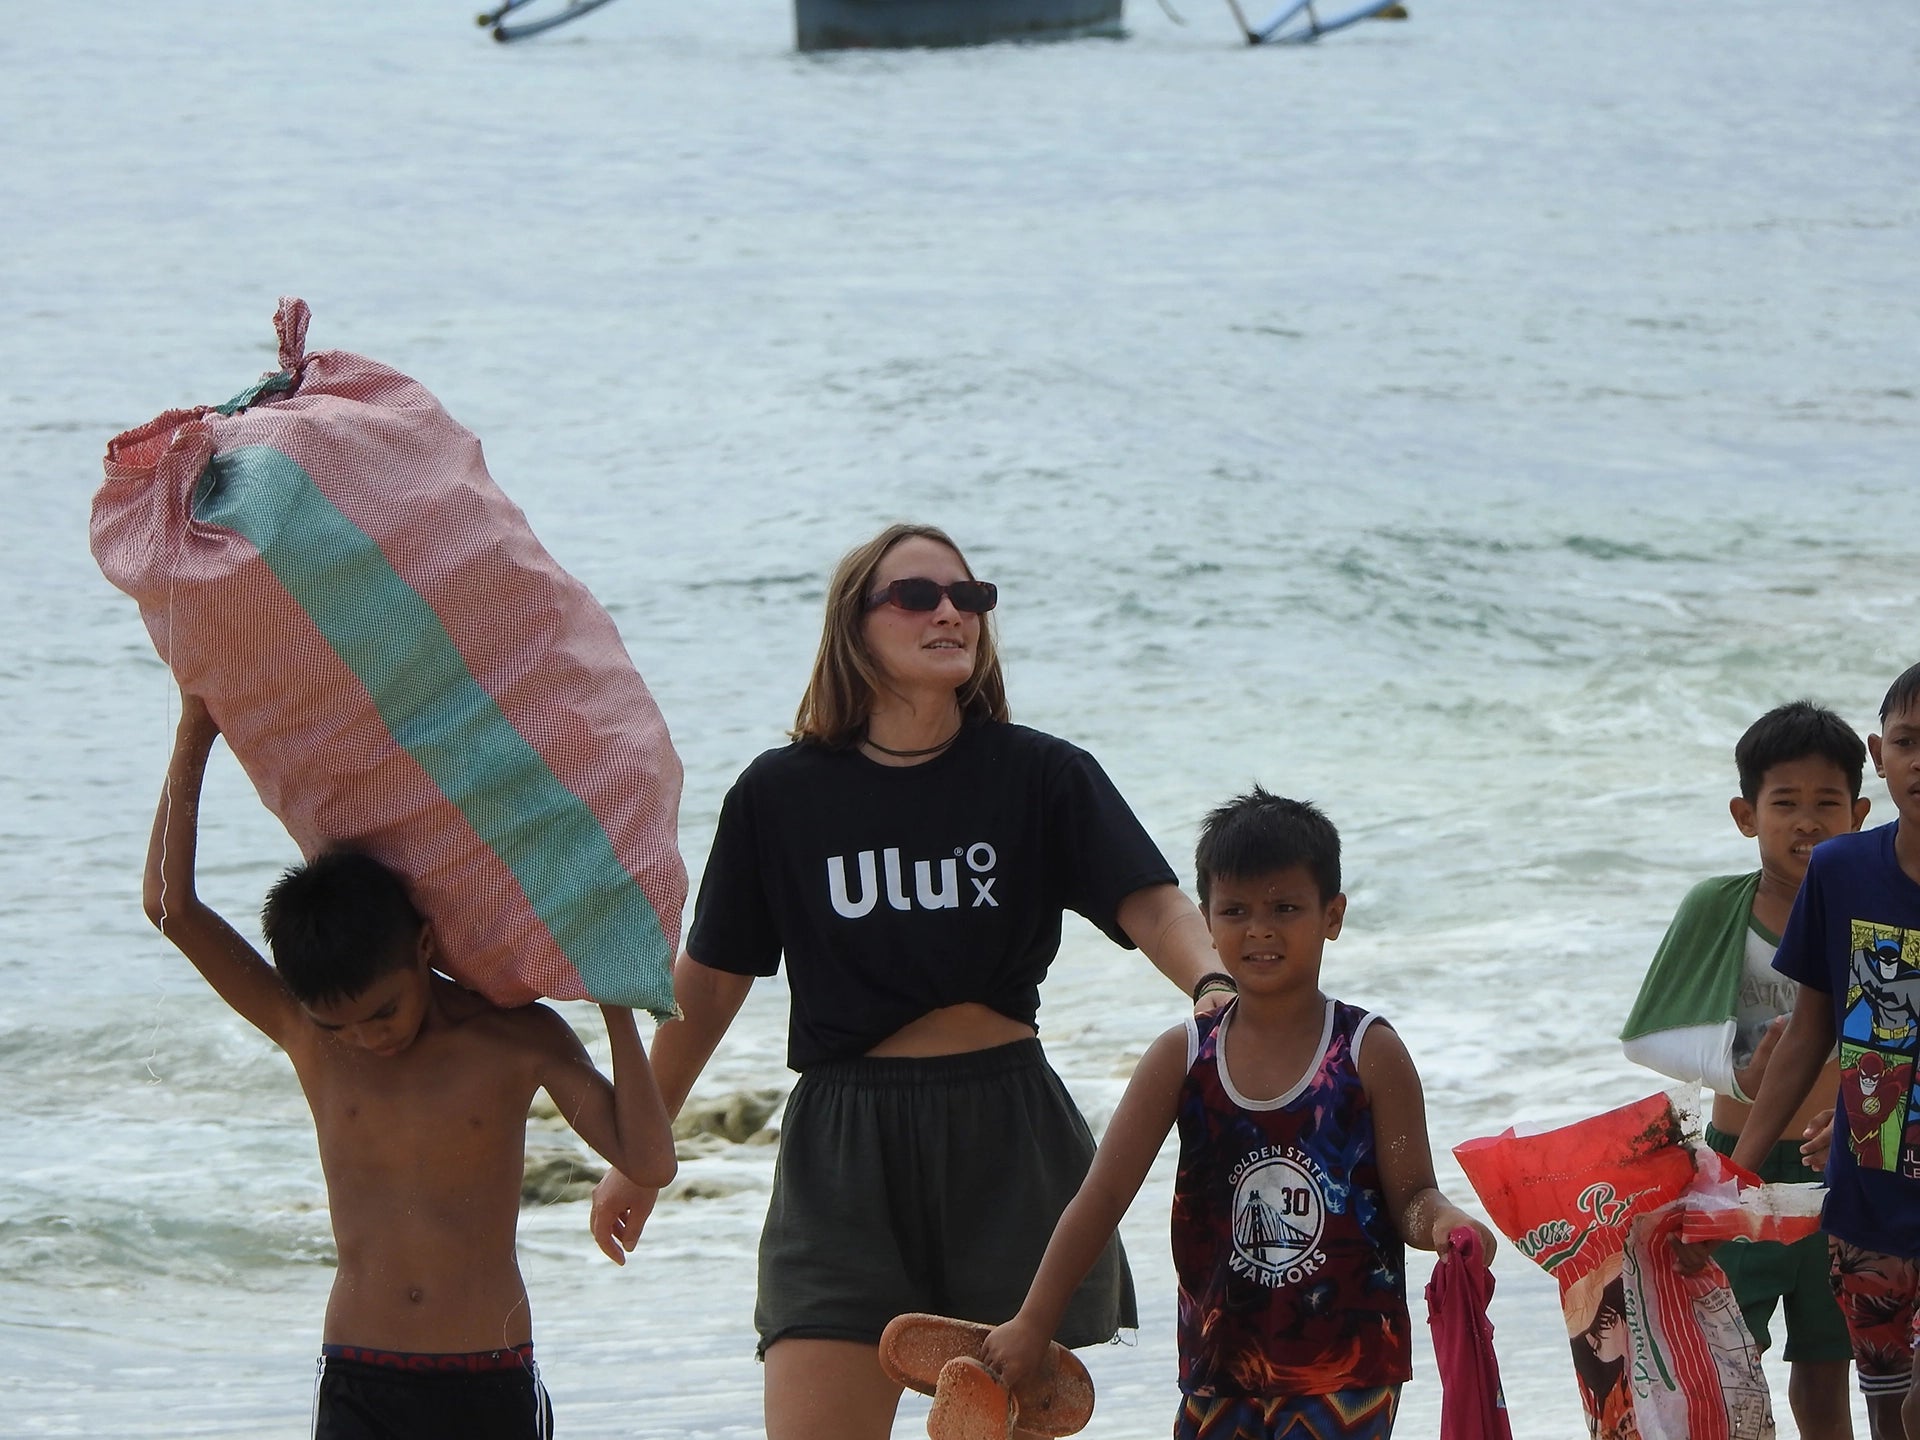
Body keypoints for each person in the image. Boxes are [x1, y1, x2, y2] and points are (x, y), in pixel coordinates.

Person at [588, 523, 1228, 1440]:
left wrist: (1212, 986)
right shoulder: (779, 796)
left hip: (1005, 1138)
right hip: (844, 1151)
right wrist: (637, 1153)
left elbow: (1156, 905)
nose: (949, 614)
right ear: (855, 626)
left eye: (967, 598)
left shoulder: (1043, 775)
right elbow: (712, 984)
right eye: (916, 597)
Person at [144, 690, 678, 1440]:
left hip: (487, 1372)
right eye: (343, 1023)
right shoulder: (309, 1037)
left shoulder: (516, 1040)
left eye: (383, 1012)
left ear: (423, 949)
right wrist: (194, 733)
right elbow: (172, 909)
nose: (367, 1039)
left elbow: (649, 1162)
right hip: (360, 1369)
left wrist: (614, 1000)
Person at [981, 788, 1495, 1440]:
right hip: (1219, 1366)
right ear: (1206, 920)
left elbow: (1412, 1196)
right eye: (1236, 910)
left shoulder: (1368, 1052)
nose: (1260, 929)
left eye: (1286, 908)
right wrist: (1033, 1322)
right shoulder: (1183, 1055)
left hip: (1348, 1370)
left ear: (1331, 915)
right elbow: (1103, 1195)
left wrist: (1448, 1224)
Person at [1620, 700, 1869, 1437]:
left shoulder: (1875, 910)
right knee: (1725, 1365)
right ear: (1745, 813)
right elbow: (1648, 1036)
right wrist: (1737, 1074)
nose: (1807, 821)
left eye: (1827, 803)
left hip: (1845, 1168)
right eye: (1784, 803)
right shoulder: (1717, 907)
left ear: (1858, 811)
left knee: (1829, 1377)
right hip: (1741, 1169)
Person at [1733, 663, 1920, 1440]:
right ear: (1880, 752)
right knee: (1885, 1406)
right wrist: (1735, 1173)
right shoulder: (1845, 871)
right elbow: (1808, 1031)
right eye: (1909, 741)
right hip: (1869, 1191)